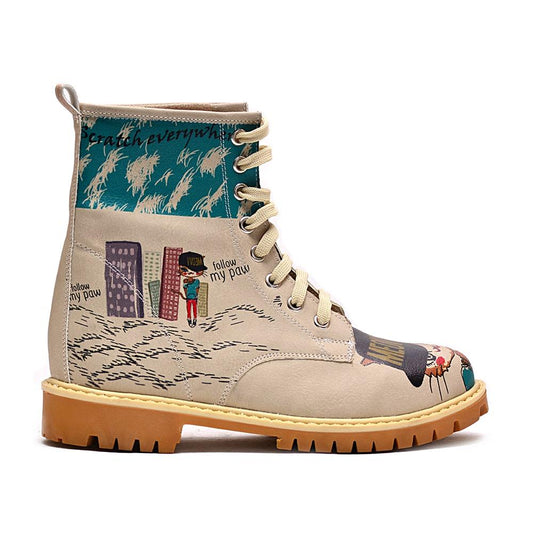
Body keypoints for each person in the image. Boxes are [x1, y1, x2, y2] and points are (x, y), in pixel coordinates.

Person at [178, 251, 207, 327]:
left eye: (196, 271)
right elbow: (185, 289)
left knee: (194, 309)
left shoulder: (197, 281)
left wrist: (196, 296)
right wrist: (186, 296)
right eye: (185, 270)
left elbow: (197, 289)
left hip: (194, 298)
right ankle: (189, 319)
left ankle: (194, 319)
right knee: (188, 310)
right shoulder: (185, 281)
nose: (190, 273)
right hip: (189, 298)